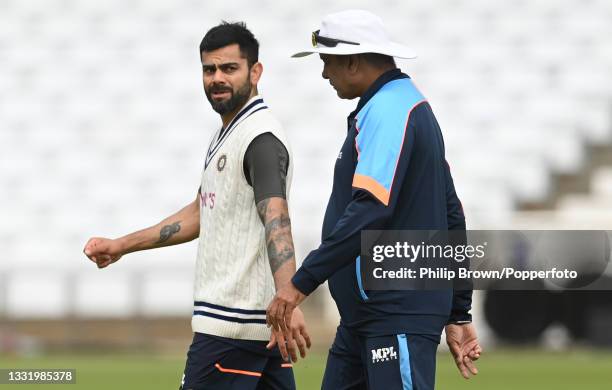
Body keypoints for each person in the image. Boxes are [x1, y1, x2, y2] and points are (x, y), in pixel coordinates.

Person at [83, 21, 310, 390]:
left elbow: (276, 218)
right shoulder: (228, 133)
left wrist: (289, 296)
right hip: (259, 326)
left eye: (229, 68)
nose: (217, 78)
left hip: (230, 328)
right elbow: (200, 213)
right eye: (209, 69)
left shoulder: (259, 137)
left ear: (256, 72)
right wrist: (121, 245)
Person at [266, 10, 481, 390]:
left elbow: (371, 208)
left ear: (351, 61)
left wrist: (301, 282)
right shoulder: (401, 106)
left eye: (327, 63)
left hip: (394, 315)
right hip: (367, 319)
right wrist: (458, 310)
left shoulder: (389, 110)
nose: (323, 74)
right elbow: (453, 213)